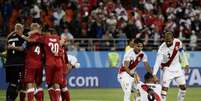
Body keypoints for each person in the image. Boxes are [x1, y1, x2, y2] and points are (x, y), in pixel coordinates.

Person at [153, 32, 189, 101]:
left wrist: (186, 63)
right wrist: (154, 74)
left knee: (183, 88)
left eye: (169, 41)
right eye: (166, 41)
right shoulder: (161, 49)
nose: (168, 43)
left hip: (177, 67)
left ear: (173, 39)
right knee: (164, 91)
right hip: (167, 69)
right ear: (164, 40)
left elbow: (182, 52)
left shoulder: (178, 42)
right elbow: (157, 63)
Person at [22, 23, 44, 101]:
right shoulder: (42, 37)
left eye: (31, 28)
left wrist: (23, 36)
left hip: (30, 63)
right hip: (39, 63)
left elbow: (23, 47)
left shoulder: (30, 36)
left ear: (33, 28)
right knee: (39, 85)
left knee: (29, 84)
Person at [5, 23, 26, 101]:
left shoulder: (9, 37)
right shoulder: (22, 38)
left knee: (12, 83)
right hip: (18, 63)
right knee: (17, 84)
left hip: (9, 63)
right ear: (20, 29)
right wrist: (14, 47)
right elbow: (21, 49)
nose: (22, 31)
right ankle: (10, 99)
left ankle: (9, 99)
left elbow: (6, 47)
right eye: (22, 30)